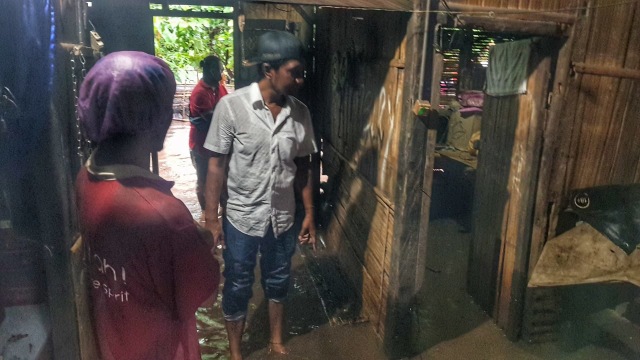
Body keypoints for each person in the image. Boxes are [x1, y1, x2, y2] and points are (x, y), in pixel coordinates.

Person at [75, 51, 220, 360]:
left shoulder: (84, 180)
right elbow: (207, 296)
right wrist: (205, 244)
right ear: (156, 119)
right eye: (165, 107)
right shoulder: (164, 217)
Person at [203, 31, 317, 360]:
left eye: (301, 72)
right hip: (241, 217)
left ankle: (276, 340)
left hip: (282, 216)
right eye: (294, 72)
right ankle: (237, 351)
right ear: (269, 70)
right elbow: (216, 166)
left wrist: (308, 212)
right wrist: (212, 220)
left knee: (279, 277)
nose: (300, 78)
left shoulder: (301, 113)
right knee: (238, 281)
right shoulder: (232, 107)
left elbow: (304, 166)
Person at [189, 55, 228, 213]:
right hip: (201, 146)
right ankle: (207, 214)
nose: (222, 73)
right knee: (204, 180)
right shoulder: (199, 93)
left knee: (223, 178)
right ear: (212, 71)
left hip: (217, 143)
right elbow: (215, 117)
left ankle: (223, 211)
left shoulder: (219, 87)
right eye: (220, 69)